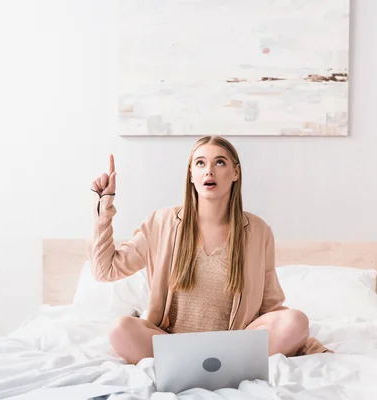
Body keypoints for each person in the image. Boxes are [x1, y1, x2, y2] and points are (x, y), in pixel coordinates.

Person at [89, 135, 330, 365]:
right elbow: (105, 270)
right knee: (121, 329)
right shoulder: (160, 223)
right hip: (171, 342)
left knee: (296, 320)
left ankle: (212, 365)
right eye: (201, 163)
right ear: (191, 174)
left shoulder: (258, 231)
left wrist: (299, 340)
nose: (209, 171)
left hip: (234, 344)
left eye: (220, 162)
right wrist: (104, 207)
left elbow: (270, 307)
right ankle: (204, 365)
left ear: (235, 173)